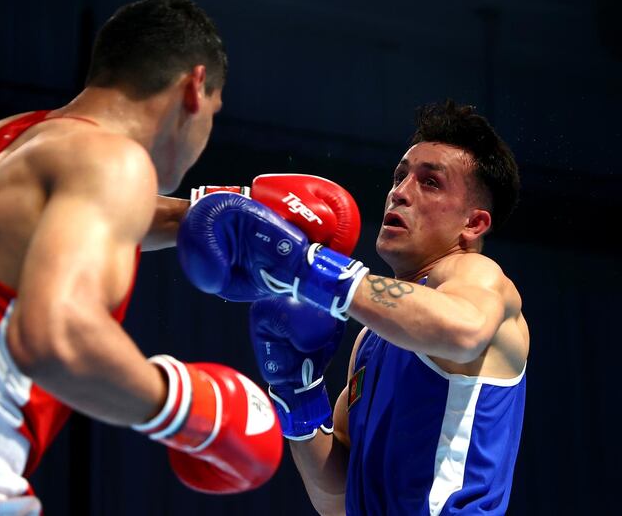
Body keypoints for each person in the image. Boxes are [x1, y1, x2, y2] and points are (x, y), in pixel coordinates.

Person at [0, 0, 286, 514]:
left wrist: (203, 214)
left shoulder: (4, 139)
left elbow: (89, 211)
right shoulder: (114, 161)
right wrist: (193, 408)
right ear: (195, 88)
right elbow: (52, 338)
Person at [179, 100, 527, 515]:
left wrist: (305, 265)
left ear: (473, 224)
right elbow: (338, 500)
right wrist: (298, 397)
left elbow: (463, 330)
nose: (400, 192)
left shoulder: (479, 275)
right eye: (400, 177)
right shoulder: (371, 339)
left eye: (430, 183)